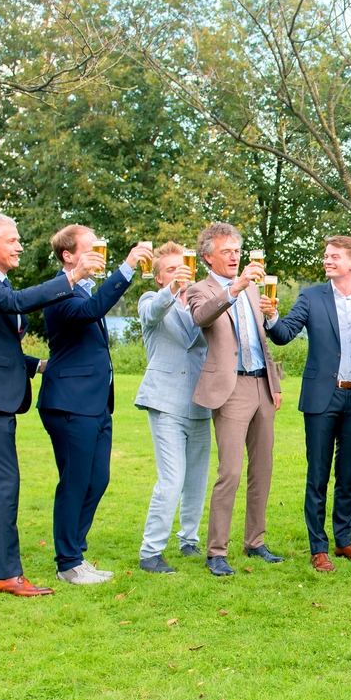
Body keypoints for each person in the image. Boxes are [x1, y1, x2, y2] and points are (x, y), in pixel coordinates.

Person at [0, 213, 92, 597]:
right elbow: (15, 303)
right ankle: (7, 574)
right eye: (12, 240)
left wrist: (40, 365)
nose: (19, 246)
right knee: (4, 480)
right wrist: (71, 278)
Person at [261, 236, 351, 574]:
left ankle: (344, 541)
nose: (327, 260)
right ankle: (319, 548)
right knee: (318, 475)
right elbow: (284, 334)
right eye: (326, 256)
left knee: (348, 474)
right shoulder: (311, 296)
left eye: (335, 256)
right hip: (320, 398)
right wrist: (271, 318)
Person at [37, 226, 150, 585]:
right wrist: (127, 268)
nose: (98, 255)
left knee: (97, 479)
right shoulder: (60, 291)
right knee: (75, 481)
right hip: (69, 402)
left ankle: (76, 553)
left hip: (96, 402)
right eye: (90, 249)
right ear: (68, 256)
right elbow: (92, 310)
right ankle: (68, 562)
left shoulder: (82, 288)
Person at [184, 223, 284, 576]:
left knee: (263, 469)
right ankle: (216, 552)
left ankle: (255, 541)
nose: (234, 256)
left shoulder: (256, 292)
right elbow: (201, 317)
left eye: (237, 251)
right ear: (208, 257)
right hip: (230, 389)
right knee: (230, 472)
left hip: (262, 386)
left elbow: (262, 341)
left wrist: (275, 383)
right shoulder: (200, 289)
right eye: (226, 251)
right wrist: (235, 288)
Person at [133, 242, 208, 574]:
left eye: (183, 268)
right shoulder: (151, 300)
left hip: (201, 402)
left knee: (196, 479)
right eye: (171, 270)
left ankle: (189, 540)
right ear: (159, 276)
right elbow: (152, 313)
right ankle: (151, 552)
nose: (180, 274)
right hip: (165, 401)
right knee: (172, 479)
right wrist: (173, 289)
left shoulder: (200, 304)